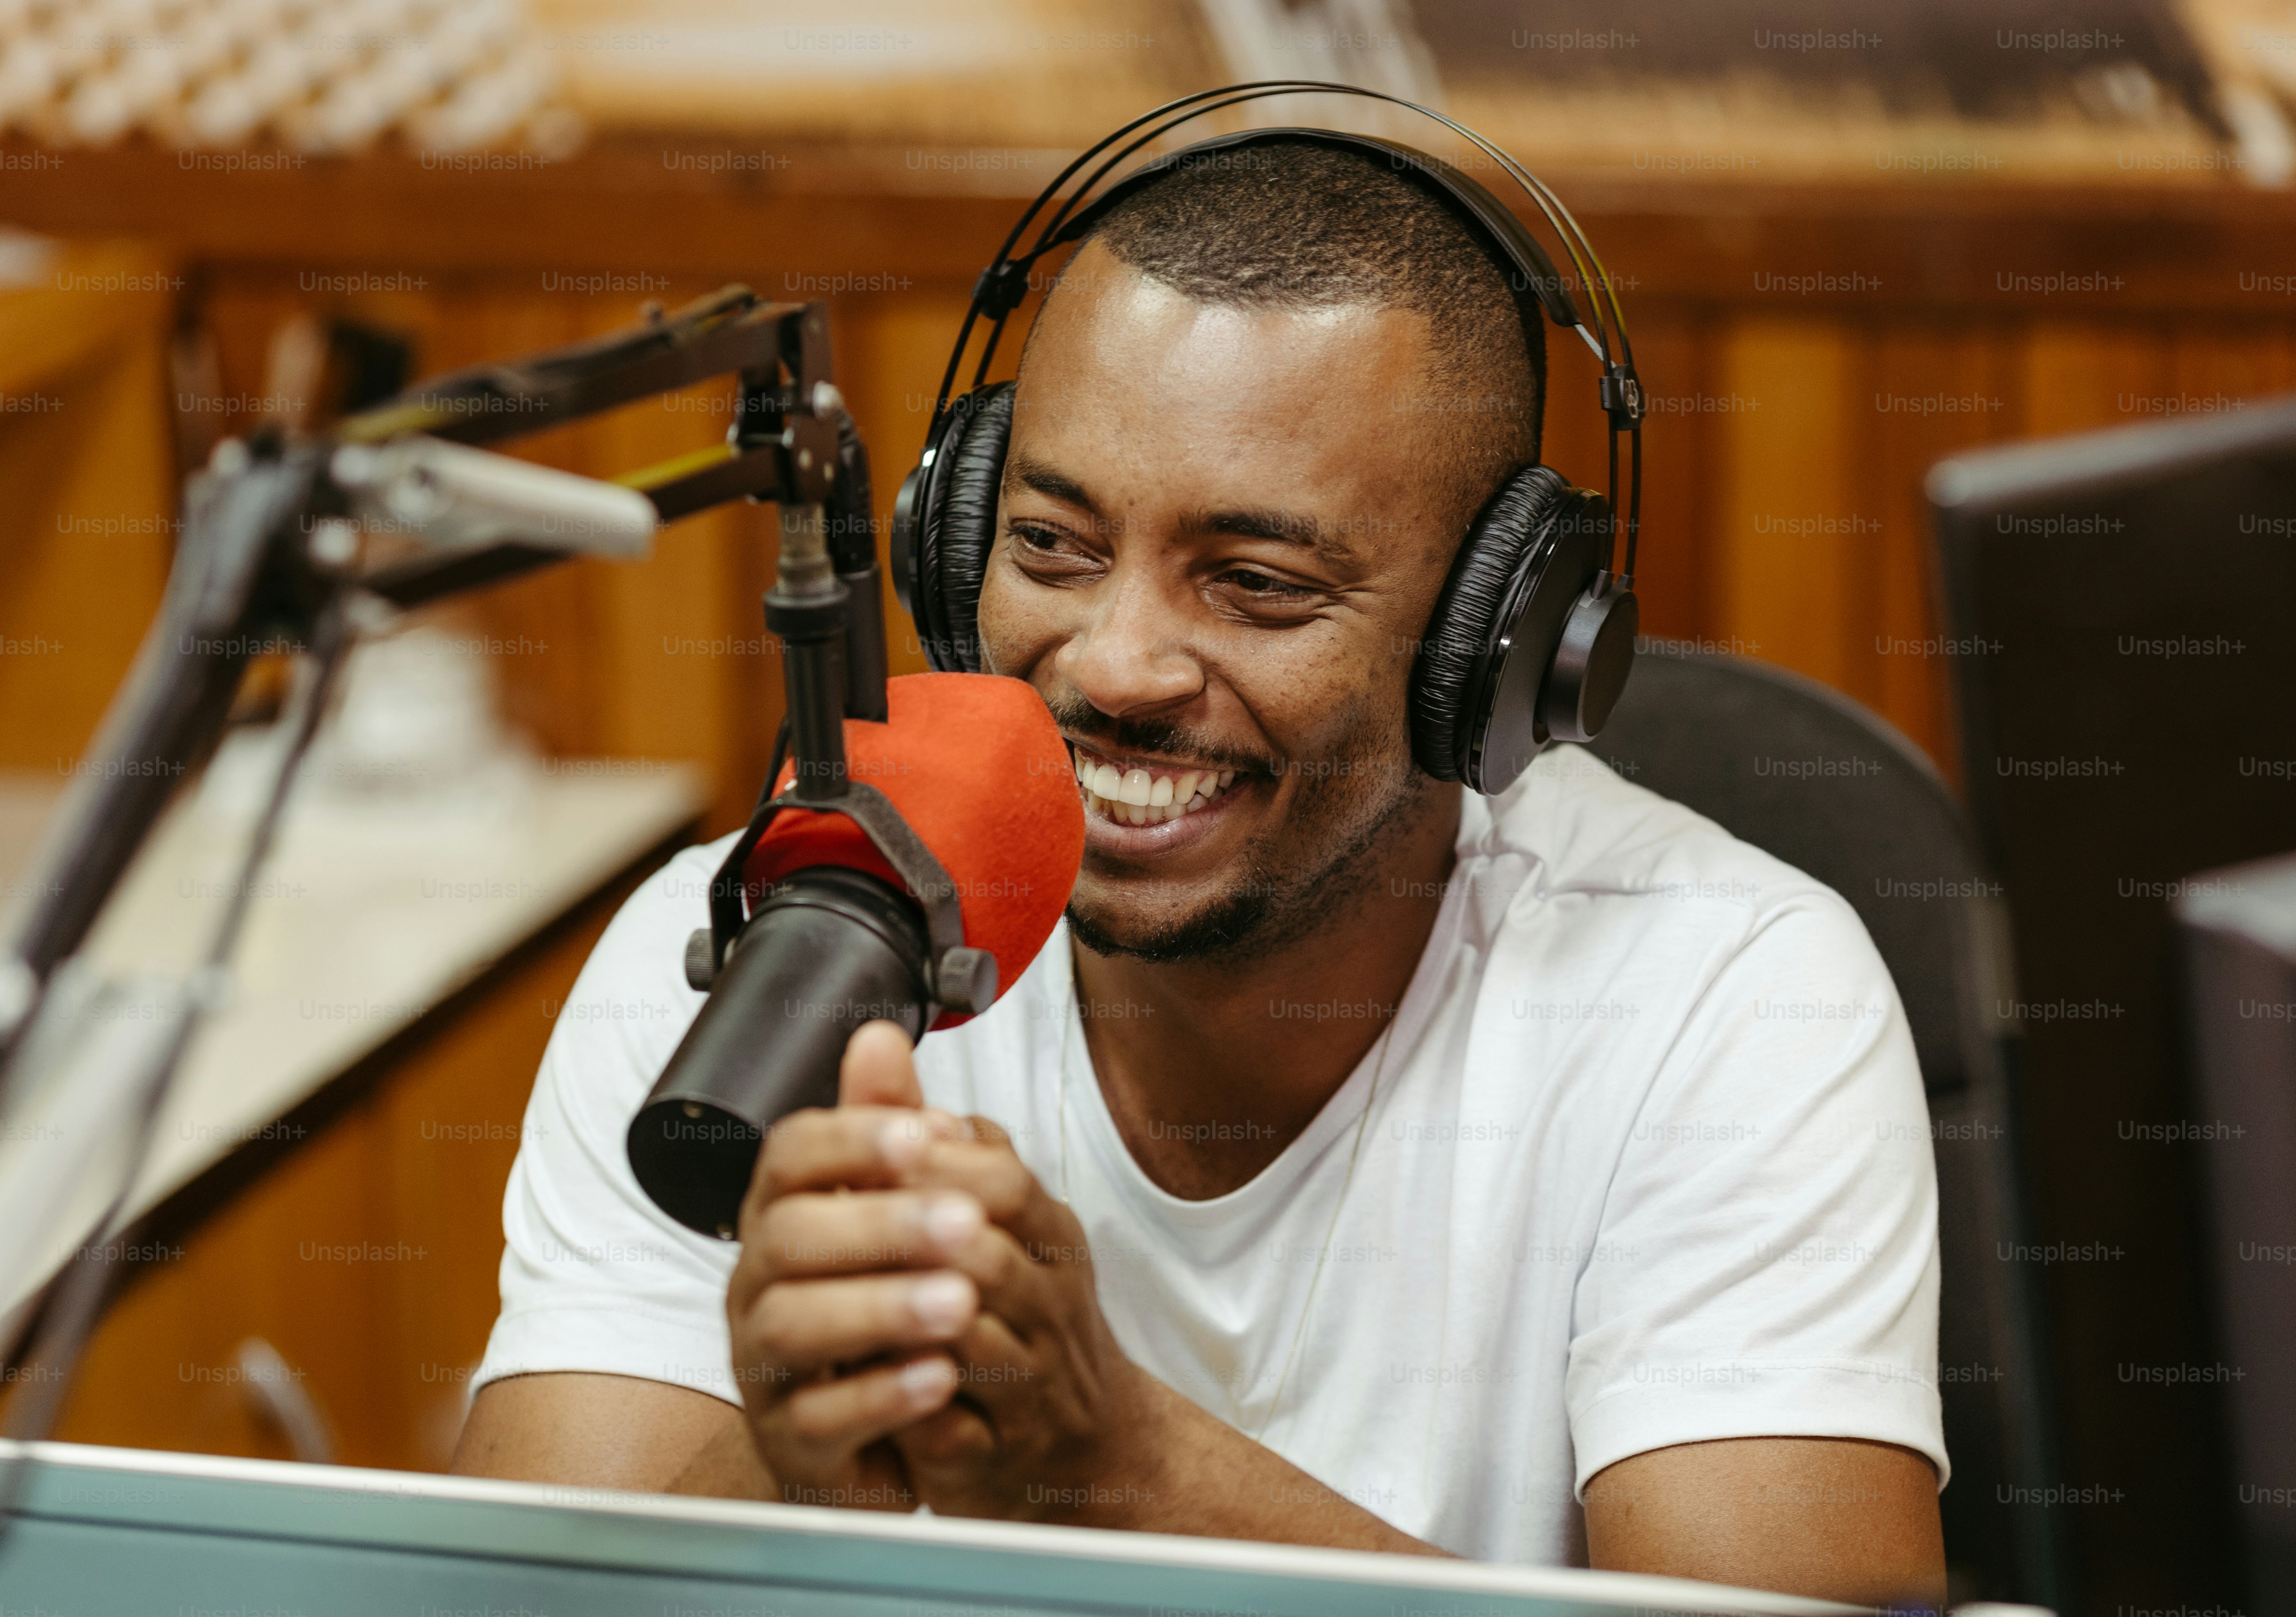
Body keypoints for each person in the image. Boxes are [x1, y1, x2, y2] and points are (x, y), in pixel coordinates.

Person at [453, 137, 1947, 1602]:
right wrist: (814, 1473)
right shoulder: (762, 947)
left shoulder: (1730, 1000)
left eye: (1257, 584)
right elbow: (508, 1603)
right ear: (951, 533)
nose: (1113, 665)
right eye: (1049, 543)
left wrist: (1112, 1467)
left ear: (1490, 648)